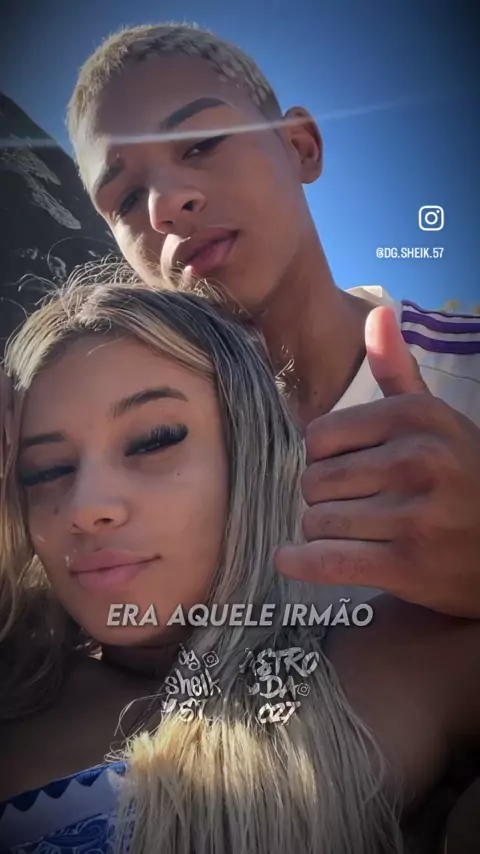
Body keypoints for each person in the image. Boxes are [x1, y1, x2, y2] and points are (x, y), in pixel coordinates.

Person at [0, 268, 479, 854]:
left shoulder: (389, 668)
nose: (86, 507)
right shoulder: (13, 693)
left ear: (253, 452)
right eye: (46, 470)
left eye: (154, 440)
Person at [66, 22, 480, 619]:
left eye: (202, 143)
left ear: (300, 147)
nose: (164, 205)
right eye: (127, 199)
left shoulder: (467, 373)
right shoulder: (125, 470)